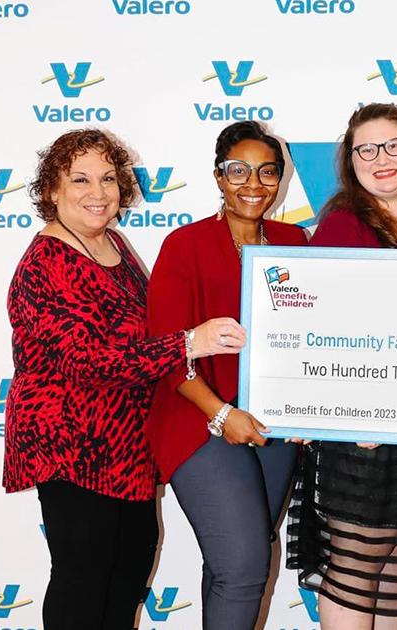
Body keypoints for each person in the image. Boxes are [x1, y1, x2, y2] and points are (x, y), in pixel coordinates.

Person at [4, 129, 243, 630]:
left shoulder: (111, 243)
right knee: (82, 580)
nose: (99, 192)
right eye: (81, 179)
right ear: (52, 189)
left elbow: (145, 330)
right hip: (71, 445)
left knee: (129, 573)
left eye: (109, 178)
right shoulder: (45, 261)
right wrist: (188, 344)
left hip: (127, 447)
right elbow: (88, 360)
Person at [286, 103, 397, 629]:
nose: (381, 158)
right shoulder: (342, 224)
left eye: (393, 145)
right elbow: (313, 329)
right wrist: (346, 413)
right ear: (351, 161)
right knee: (358, 562)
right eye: (366, 149)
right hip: (360, 428)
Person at [146, 121, 307, 629]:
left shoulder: (294, 241)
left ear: (280, 179)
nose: (253, 184)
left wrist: (314, 406)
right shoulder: (184, 244)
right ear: (219, 177)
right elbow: (166, 351)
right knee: (242, 565)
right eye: (238, 171)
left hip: (274, 425)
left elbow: (313, 334)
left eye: (267, 172)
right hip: (200, 418)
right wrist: (220, 415)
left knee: (236, 565)